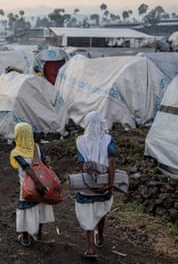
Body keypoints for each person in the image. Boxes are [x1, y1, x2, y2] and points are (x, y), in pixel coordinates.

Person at [74, 111, 115, 259]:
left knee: (88, 214)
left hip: (87, 185)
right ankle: (101, 237)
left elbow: (82, 165)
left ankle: (90, 248)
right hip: (104, 183)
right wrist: (109, 184)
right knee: (101, 210)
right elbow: (111, 162)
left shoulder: (81, 141)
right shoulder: (108, 140)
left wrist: (89, 184)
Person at [9, 122, 55, 247]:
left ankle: (25, 238)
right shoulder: (37, 148)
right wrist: (42, 184)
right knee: (40, 208)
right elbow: (44, 163)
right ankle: (39, 235)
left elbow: (27, 168)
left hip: (28, 188)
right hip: (42, 185)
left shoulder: (17, 152)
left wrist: (37, 184)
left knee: (25, 210)